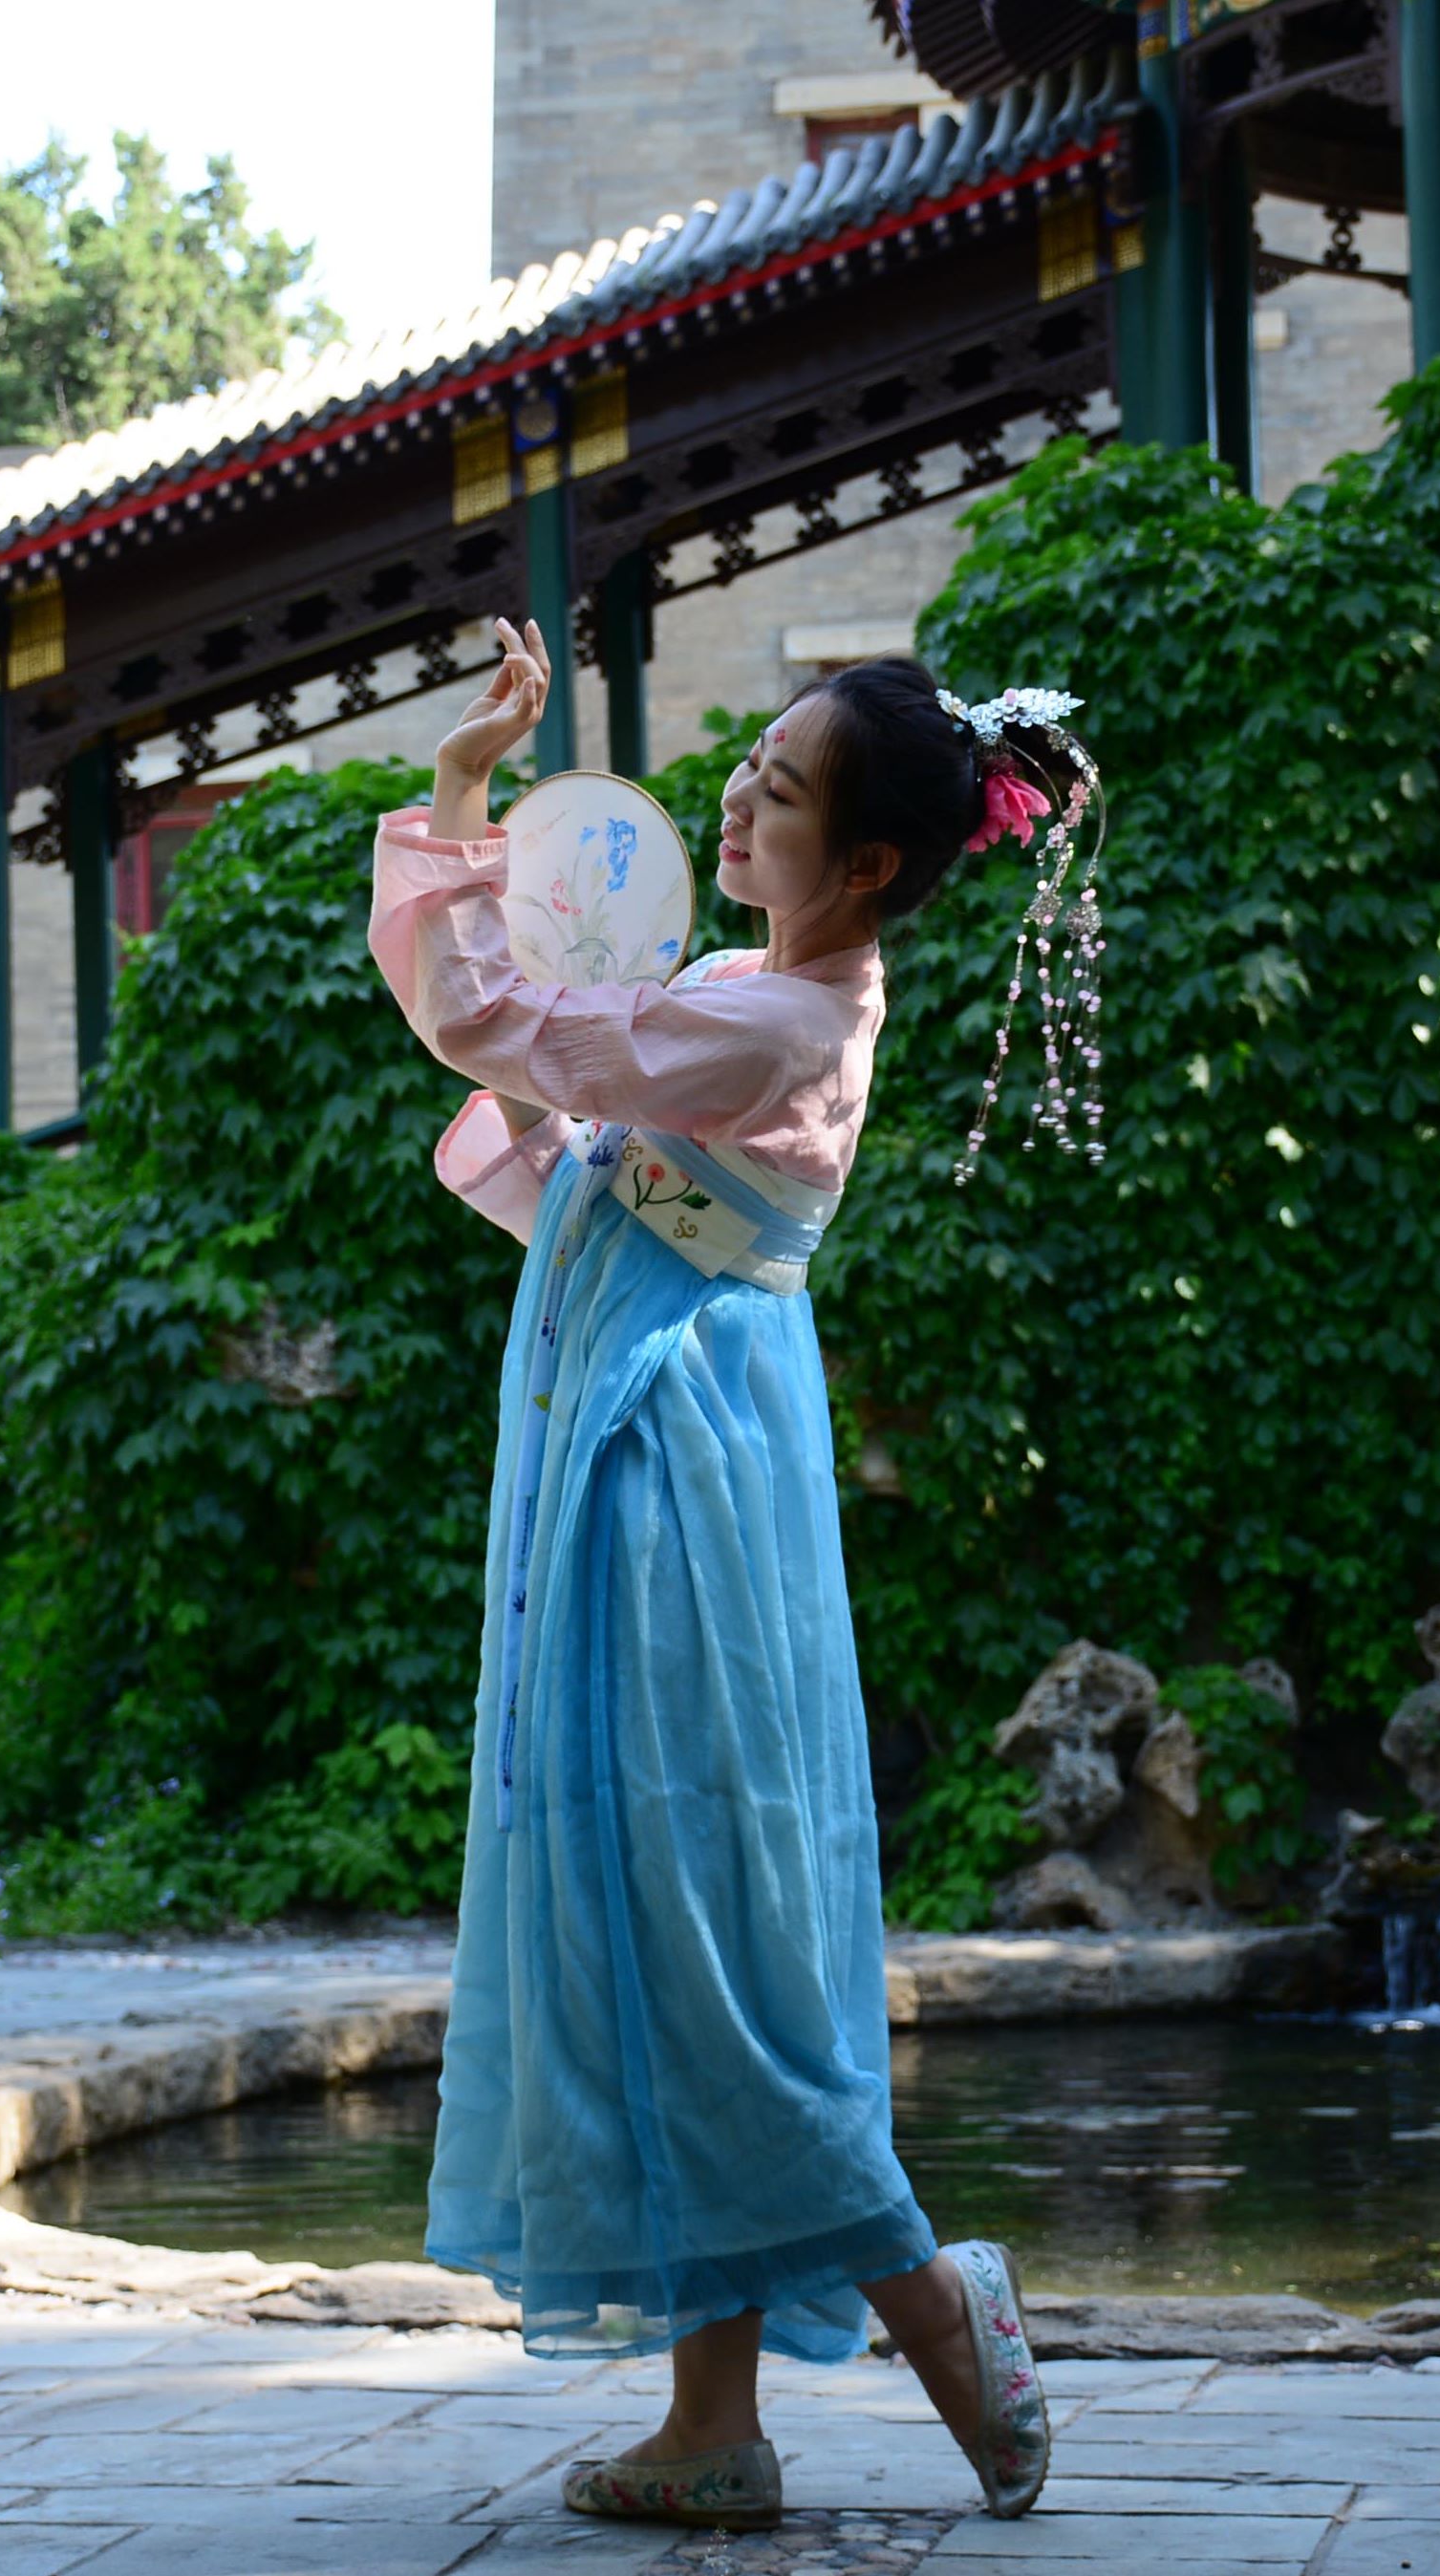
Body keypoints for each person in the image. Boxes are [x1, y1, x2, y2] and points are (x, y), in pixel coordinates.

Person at [368, 620, 1063, 2534]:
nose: (743, 789)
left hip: (663, 1468)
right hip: (649, 1441)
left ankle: (940, 2315)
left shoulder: (770, 1015)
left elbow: (497, 1025)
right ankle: (713, 2423)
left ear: (861, 867)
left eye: (787, 782)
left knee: (679, 1904)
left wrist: (452, 804)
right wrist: (547, 1093)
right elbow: (589, 1154)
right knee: (657, 1895)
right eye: (750, 758)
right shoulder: (753, 990)